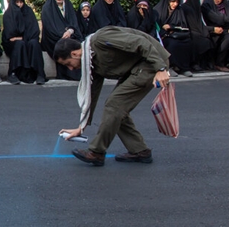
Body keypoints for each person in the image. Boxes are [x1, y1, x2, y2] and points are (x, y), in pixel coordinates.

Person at [56, 26, 172, 166]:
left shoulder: (100, 40)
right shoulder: (90, 61)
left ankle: (97, 152)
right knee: (117, 109)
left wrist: (160, 68)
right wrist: (81, 126)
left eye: (68, 64)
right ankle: (140, 151)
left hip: (150, 63)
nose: (70, 69)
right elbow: (92, 93)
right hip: (135, 67)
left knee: (114, 105)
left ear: (74, 54)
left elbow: (141, 43)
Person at [2, 0, 45, 85]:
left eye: (21, 2)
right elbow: (10, 35)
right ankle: (13, 73)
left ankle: (39, 74)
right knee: (19, 44)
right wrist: (20, 38)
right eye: (17, 2)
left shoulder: (28, 12)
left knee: (34, 44)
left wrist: (21, 37)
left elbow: (34, 30)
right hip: (11, 44)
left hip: (27, 40)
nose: (19, 5)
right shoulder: (9, 14)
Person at [40, 0, 81, 80]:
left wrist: (70, 31)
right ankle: (65, 74)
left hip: (69, 35)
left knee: (77, 43)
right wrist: (62, 35)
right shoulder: (47, 8)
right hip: (52, 38)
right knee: (62, 46)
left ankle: (77, 72)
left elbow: (74, 23)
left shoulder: (69, 6)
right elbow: (49, 27)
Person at [154, 0, 194, 77]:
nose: (175, 4)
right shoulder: (158, 10)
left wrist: (171, 27)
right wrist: (164, 30)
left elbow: (183, 25)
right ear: (167, 1)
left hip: (176, 34)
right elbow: (156, 26)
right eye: (173, 2)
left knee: (187, 42)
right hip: (164, 36)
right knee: (172, 44)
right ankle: (170, 66)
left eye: (177, 2)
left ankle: (184, 68)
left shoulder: (179, 11)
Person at [201, 0, 229, 72]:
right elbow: (215, 18)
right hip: (212, 30)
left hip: (226, 29)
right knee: (228, 38)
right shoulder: (207, 5)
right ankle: (219, 63)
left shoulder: (226, 5)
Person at [182, 0, 213, 71]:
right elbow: (194, 25)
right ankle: (195, 63)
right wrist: (211, 29)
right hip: (189, 31)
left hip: (197, 30)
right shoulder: (187, 9)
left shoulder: (196, 8)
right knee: (201, 40)